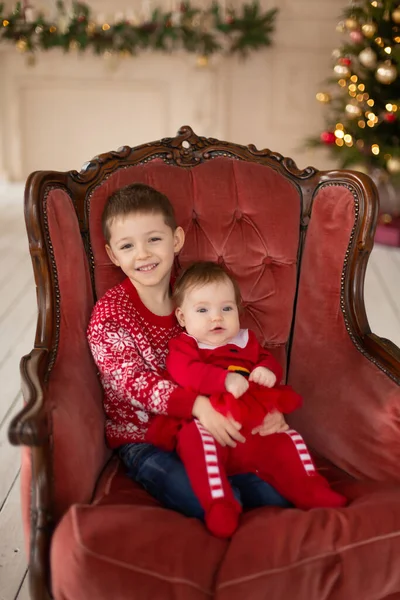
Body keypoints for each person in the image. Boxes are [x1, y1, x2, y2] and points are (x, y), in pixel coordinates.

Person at [87, 182, 292, 531]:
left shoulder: (196, 298)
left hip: (211, 427)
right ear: (112, 254)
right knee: (219, 501)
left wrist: (266, 408)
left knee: (279, 497)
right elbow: (135, 385)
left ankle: (242, 486)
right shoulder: (110, 316)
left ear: (176, 240)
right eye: (127, 245)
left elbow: (237, 358)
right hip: (147, 439)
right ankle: (226, 496)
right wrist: (198, 407)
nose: (143, 254)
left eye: (154, 239)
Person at [146, 261, 347, 538]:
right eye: (203, 310)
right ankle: (219, 503)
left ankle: (310, 488)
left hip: (251, 423)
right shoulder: (185, 346)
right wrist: (223, 380)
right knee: (194, 440)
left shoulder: (246, 341)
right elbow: (185, 372)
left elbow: (266, 361)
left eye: (226, 309)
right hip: (210, 423)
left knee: (285, 440)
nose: (216, 318)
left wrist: (267, 370)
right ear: (182, 317)